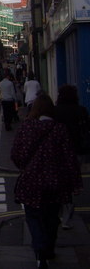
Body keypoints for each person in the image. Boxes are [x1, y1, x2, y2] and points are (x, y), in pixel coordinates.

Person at [11, 93, 82, 268]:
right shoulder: (59, 129)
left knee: (34, 218)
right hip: (54, 182)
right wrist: (75, 183)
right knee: (51, 218)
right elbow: (69, 158)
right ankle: (48, 248)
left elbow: (16, 154)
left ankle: (40, 251)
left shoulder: (27, 127)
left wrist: (25, 167)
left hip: (31, 182)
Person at [55, 85, 90, 229]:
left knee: (59, 181)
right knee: (69, 182)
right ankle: (67, 212)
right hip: (77, 151)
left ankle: (60, 212)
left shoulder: (55, 111)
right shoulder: (81, 110)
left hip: (59, 152)